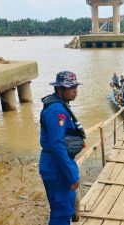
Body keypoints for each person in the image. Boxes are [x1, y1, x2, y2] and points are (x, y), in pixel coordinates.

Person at [39, 71, 85, 225]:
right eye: (70, 87)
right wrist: (71, 175)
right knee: (62, 212)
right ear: (59, 89)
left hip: (57, 164)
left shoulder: (60, 105)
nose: (75, 90)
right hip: (56, 167)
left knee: (62, 209)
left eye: (76, 86)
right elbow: (57, 145)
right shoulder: (57, 110)